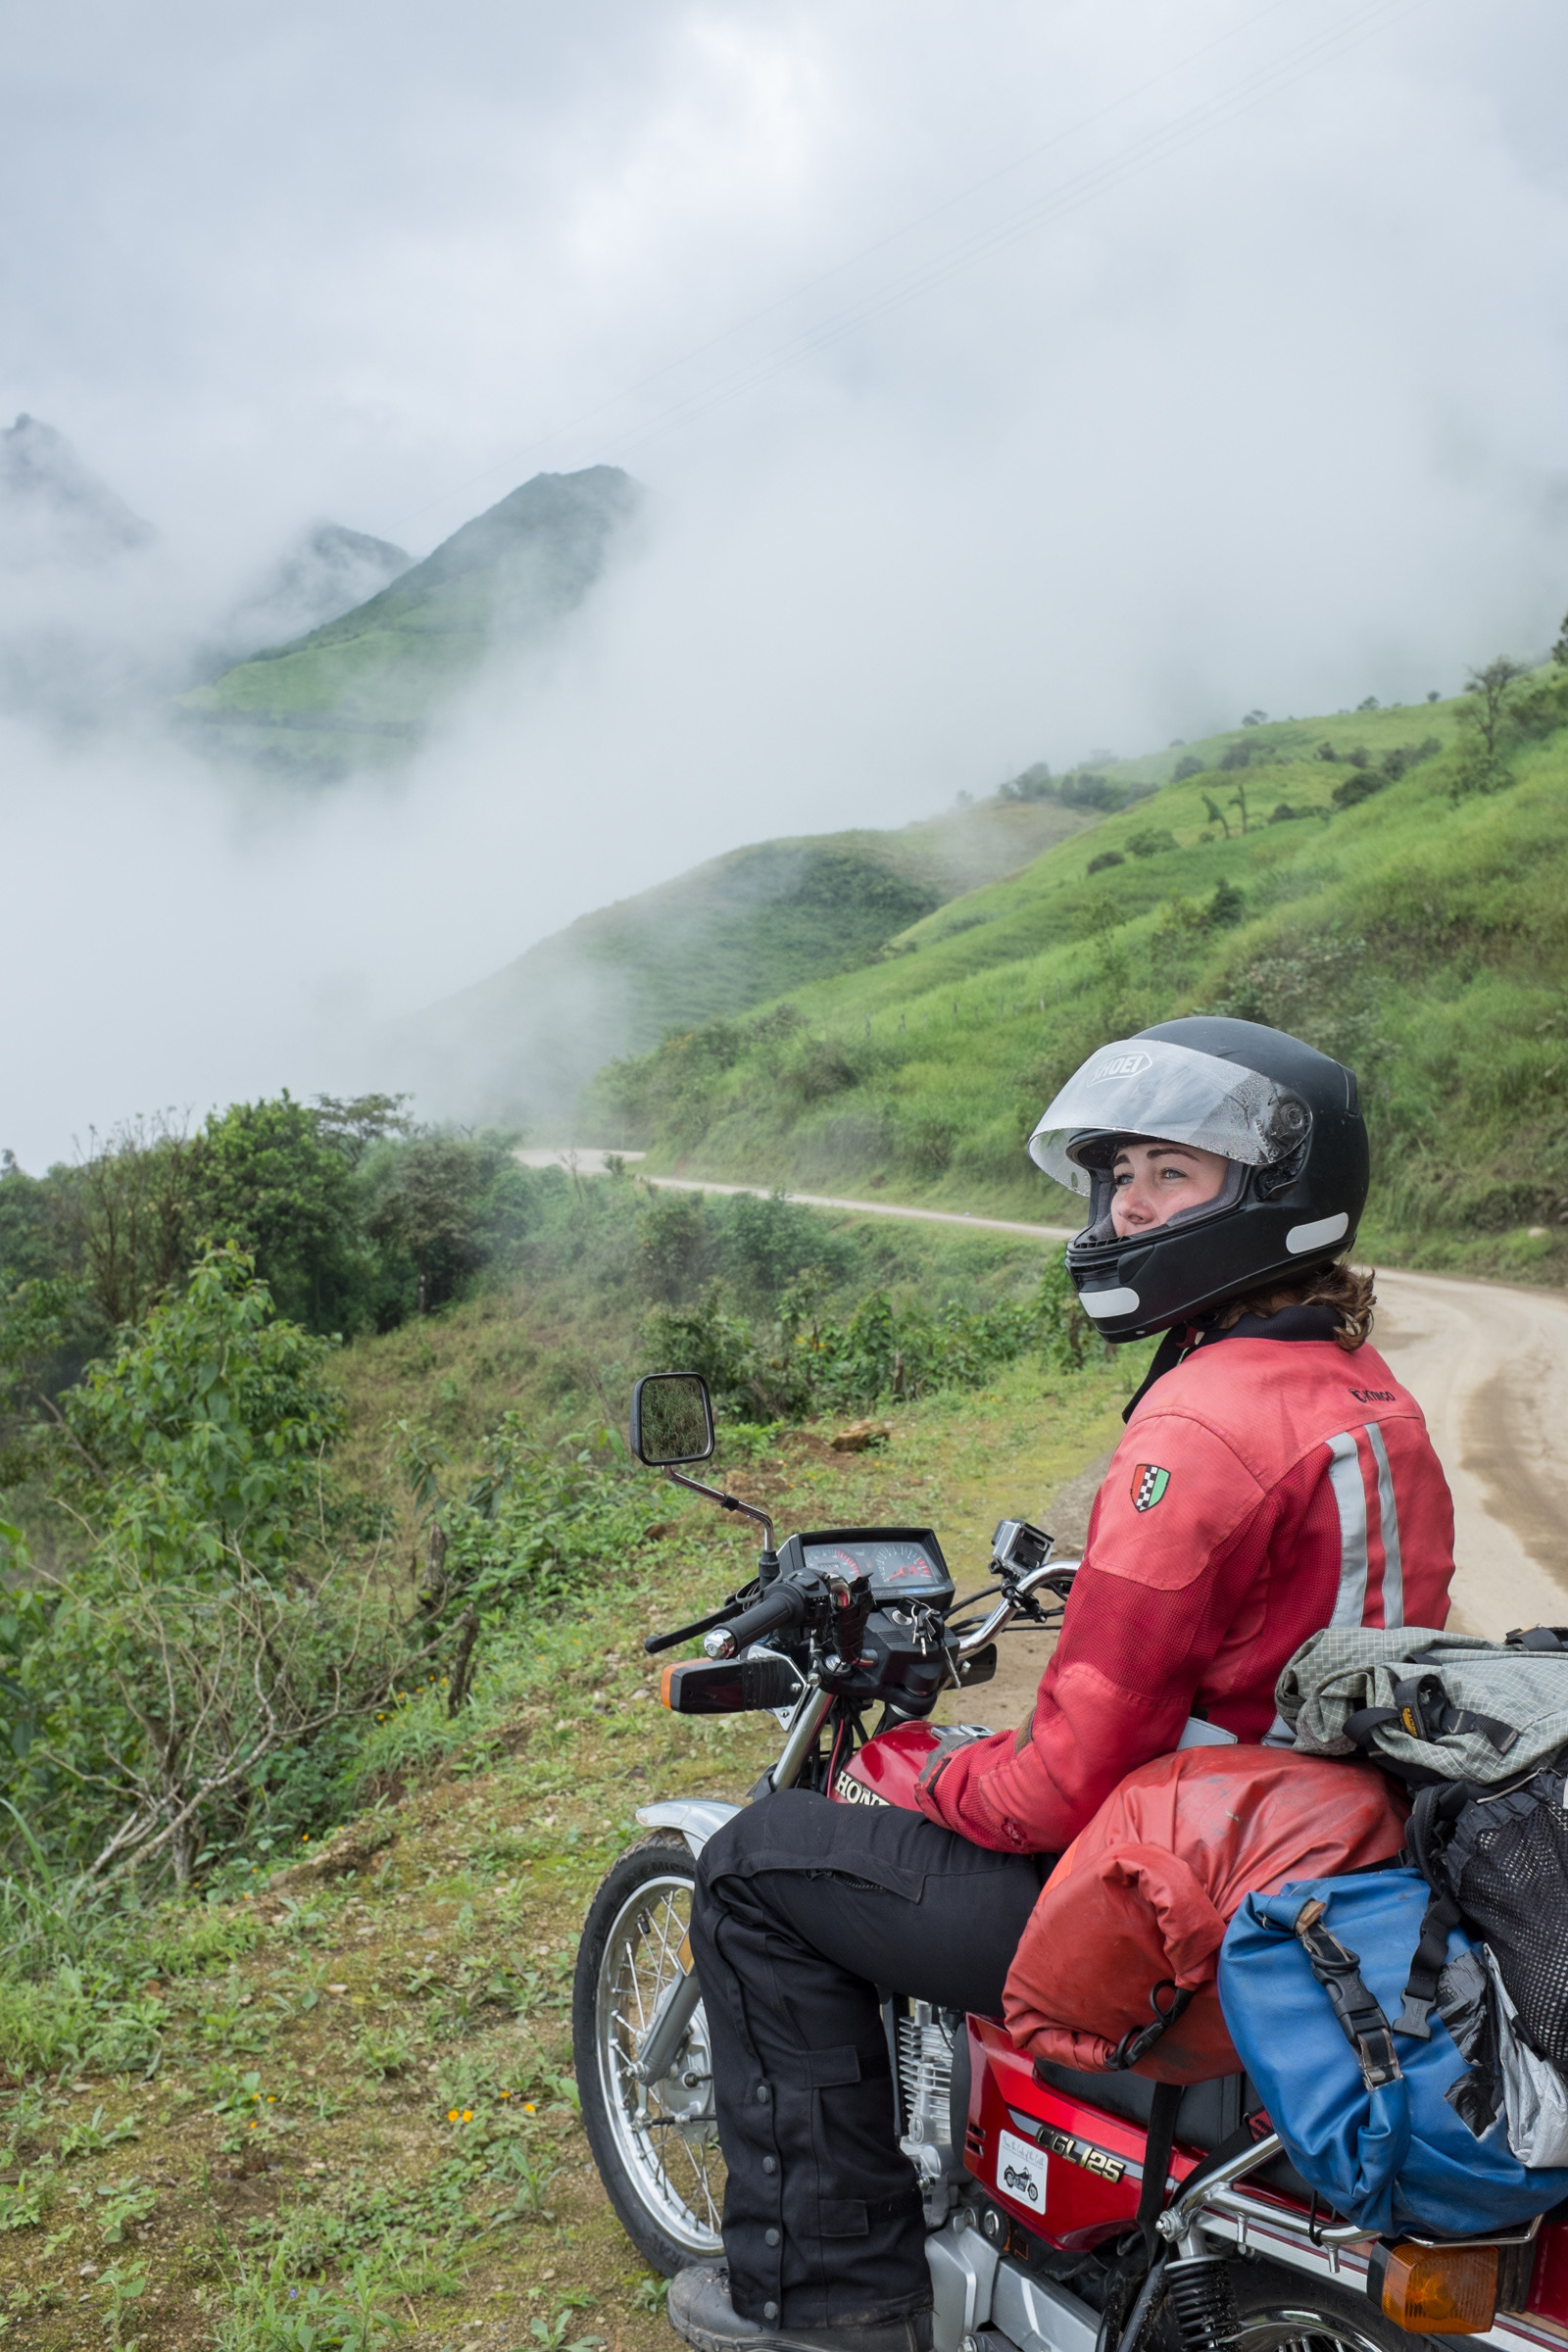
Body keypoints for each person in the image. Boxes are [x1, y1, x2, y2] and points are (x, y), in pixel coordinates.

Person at [669, 1015, 1455, 2352]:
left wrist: (932, 1761)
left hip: (1189, 1912)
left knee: (756, 1869)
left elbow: (1060, 1785)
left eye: (1171, 1175)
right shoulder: (1365, 1394)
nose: (1127, 1209)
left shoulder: (1196, 1425)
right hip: (1331, 1861)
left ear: (1270, 1194)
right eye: (1120, 1175)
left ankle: (835, 2303)